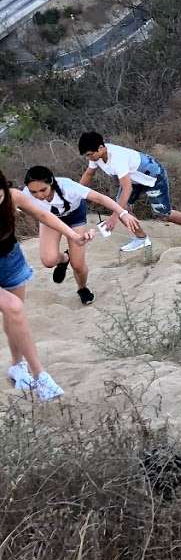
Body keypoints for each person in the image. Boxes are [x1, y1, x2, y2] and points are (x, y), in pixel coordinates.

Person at [1, 166, 90, 400]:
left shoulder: (11, 195)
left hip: (10, 258)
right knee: (14, 308)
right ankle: (41, 376)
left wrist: (72, 235)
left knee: (13, 315)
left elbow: (43, 215)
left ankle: (17, 366)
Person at [23, 164, 145, 306]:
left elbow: (100, 198)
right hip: (50, 219)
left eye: (42, 190)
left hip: (74, 216)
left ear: (51, 181)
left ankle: (82, 288)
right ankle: (64, 259)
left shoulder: (67, 186)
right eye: (34, 192)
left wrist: (123, 213)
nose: (39, 195)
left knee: (78, 265)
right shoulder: (25, 193)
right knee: (48, 261)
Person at [77, 132, 181, 249]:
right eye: (86, 156)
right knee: (122, 208)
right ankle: (141, 238)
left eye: (89, 154)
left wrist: (115, 216)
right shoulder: (97, 158)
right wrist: (77, 193)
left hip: (153, 177)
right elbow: (89, 174)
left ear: (101, 148)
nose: (88, 158)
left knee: (162, 214)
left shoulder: (117, 158)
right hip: (134, 179)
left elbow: (127, 188)